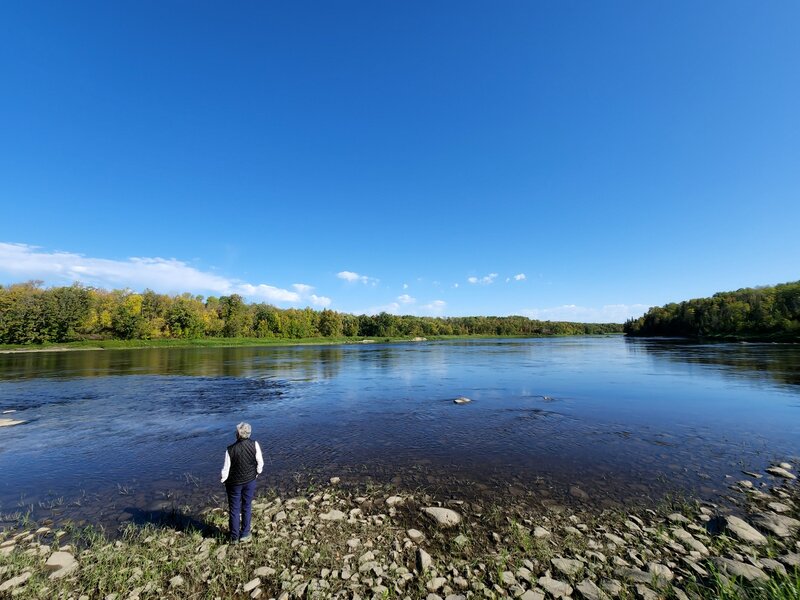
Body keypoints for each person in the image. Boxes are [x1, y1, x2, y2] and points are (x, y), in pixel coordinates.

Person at [221, 422, 264, 543]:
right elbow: (260, 463)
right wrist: (256, 473)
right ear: (249, 433)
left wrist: (223, 480)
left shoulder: (230, 449)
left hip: (234, 484)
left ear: (238, 434)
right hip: (250, 480)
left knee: (234, 509)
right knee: (247, 506)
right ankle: (245, 534)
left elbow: (225, 470)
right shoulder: (254, 444)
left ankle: (234, 537)